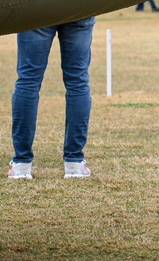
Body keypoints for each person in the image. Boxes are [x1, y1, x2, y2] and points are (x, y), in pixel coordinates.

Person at [9, 17, 96, 180]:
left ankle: (21, 163)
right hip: (79, 4)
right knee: (78, 80)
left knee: (28, 80)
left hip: (38, 6)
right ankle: (74, 162)